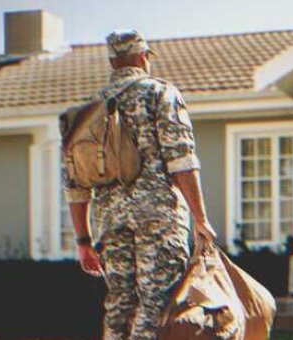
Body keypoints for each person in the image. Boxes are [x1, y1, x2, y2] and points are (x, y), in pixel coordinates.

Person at [62, 29, 217, 340]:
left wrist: (83, 241)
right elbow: (181, 160)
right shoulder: (161, 93)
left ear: (113, 62)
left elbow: (75, 182)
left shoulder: (90, 110)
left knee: (119, 304)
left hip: (109, 222)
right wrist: (200, 219)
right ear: (143, 57)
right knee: (157, 301)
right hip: (157, 217)